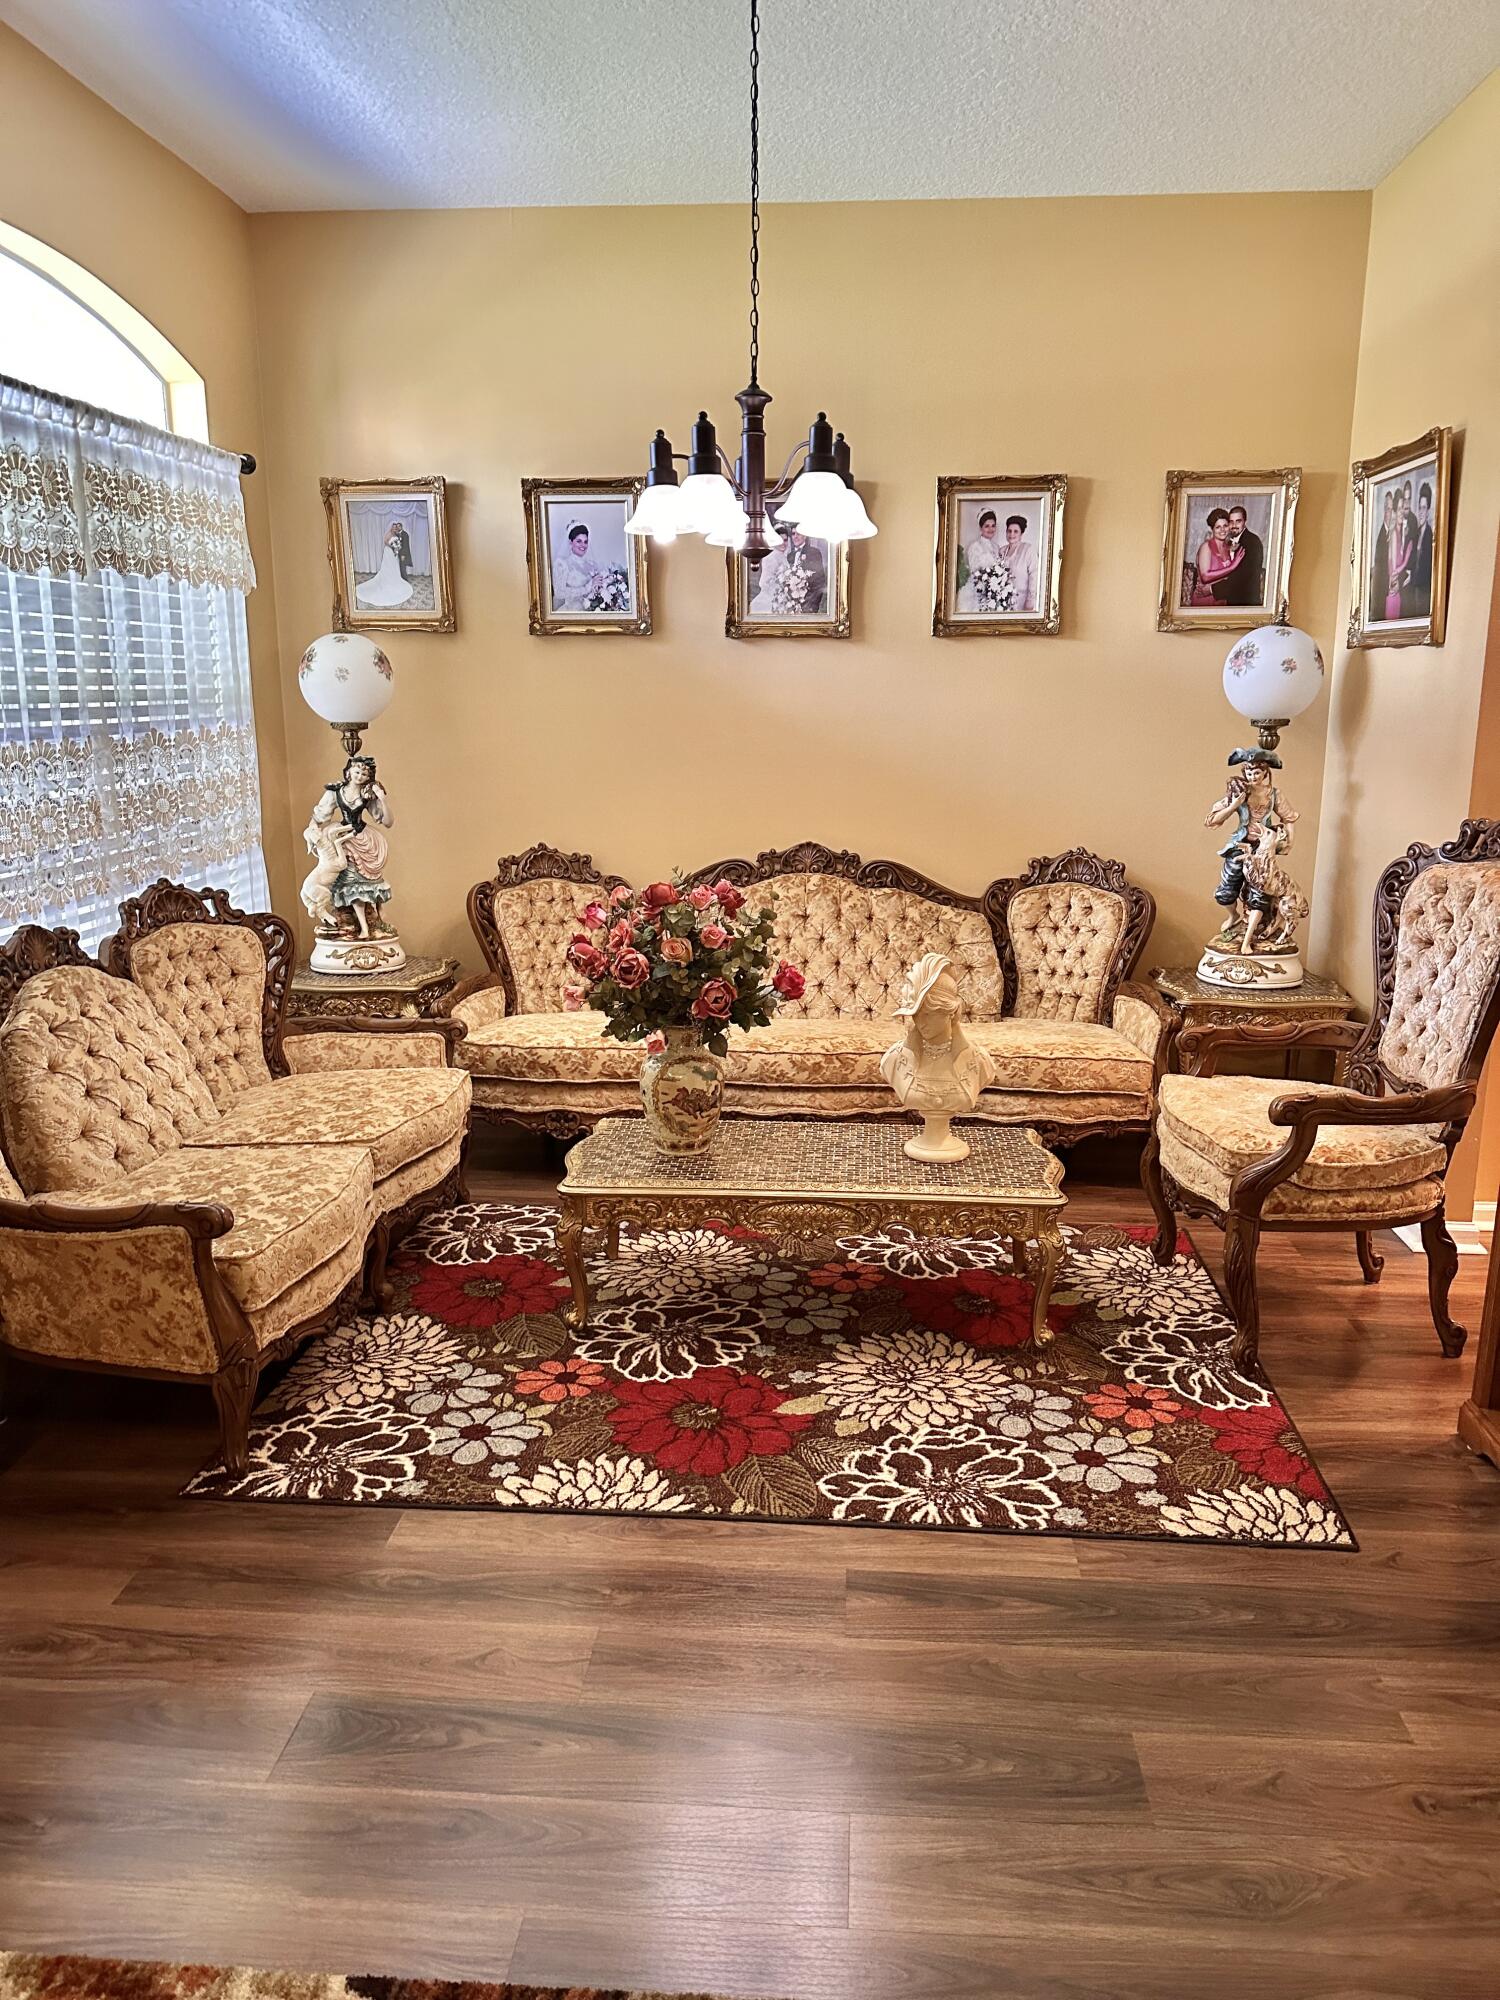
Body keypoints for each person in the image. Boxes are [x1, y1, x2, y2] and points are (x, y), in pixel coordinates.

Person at [304, 755, 397, 940]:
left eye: (364, 773)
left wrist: (382, 799)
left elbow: (387, 821)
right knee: (348, 883)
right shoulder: (335, 792)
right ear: (348, 772)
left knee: (366, 882)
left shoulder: (366, 794)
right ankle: (352, 923)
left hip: (362, 838)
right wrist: (312, 831)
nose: (360, 775)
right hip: (343, 839)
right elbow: (320, 815)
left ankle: (374, 921)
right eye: (357, 771)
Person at [956, 509, 1012, 613]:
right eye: (987, 526)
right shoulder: (974, 547)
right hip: (978, 593)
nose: (991, 529)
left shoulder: (996, 547)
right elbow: (975, 572)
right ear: (981, 528)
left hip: (994, 593)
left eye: (993, 525)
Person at [1213, 504, 1265, 607]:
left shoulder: (1252, 542)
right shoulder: (1228, 541)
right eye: (1231, 522)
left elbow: (1242, 577)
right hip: (1231, 600)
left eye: (1238, 521)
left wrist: (1212, 589)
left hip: (1246, 602)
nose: (1234, 525)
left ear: (1245, 521)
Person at [355, 521, 415, 609]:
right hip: (388, 552)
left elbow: (401, 545)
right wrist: (392, 546)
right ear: (391, 528)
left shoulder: (397, 535)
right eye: (394, 527)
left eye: (396, 527)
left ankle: (396, 579)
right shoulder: (389, 534)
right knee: (387, 567)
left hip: (394, 554)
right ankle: (387, 580)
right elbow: (385, 541)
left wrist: (396, 548)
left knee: (394, 567)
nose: (395, 528)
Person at [1191, 508, 1244, 605]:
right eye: (1218, 527)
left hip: (1221, 599)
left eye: (1225, 526)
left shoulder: (1229, 548)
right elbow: (1205, 576)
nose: (1222, 530)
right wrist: (1232, 567)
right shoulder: (1206, 547)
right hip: (1204, 600)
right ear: (1212, 529)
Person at [553, 522, 602, 612]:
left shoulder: (592, 565)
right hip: (571, 612)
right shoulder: (562, 564)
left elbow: (597, 589)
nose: (583, 545)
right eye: (579, 541)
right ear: (571, 542)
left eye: (585, 542)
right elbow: (559, 592)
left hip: (592, 610)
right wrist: (586, 588)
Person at [1384, 486, 1413, 622]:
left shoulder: (1401, 534)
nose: (1402, 512)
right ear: (1395, 512)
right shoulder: (1394, 534)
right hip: (1393, 593)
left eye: (1403, 508)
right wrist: (1407, 558)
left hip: (1397, 592)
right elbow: (1395, 572)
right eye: (1399, 508)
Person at [1407, 480, 1434, 617]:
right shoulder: (1415, 533)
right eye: (1419, 508)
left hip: (1424, 591)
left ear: (1428, 510)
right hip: (1413, 588)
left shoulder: (1430, 536)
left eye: (1424, 508)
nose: (1421, 512)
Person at [1001, 514, 1037, 613]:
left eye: (1016, 531)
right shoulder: (1002, 551)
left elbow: (1034, 575)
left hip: (1022, 601)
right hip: (1003, 602)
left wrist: (1030, 601)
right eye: (1009, 531)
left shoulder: (1028, 549)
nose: (1011, 534)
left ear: (1021, 533)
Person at [1370, 490, 1394, 619]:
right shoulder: (1381, 533)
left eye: (1390, 509)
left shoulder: (1390, 532)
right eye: (1386, 508)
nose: (1387, 513)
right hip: (1380, 583)